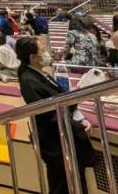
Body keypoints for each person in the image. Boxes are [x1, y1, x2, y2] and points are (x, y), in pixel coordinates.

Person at [15, 36, 95, 194]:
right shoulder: (28, 80)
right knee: (61, 185)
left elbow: (59, 99)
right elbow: (48, 114)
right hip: (54, 142)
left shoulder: (39, 73)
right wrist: (77, 124)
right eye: (42, 51)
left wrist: (78, 115)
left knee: (71, 182)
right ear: (33, 57)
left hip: (61, 136)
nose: (46, 53)